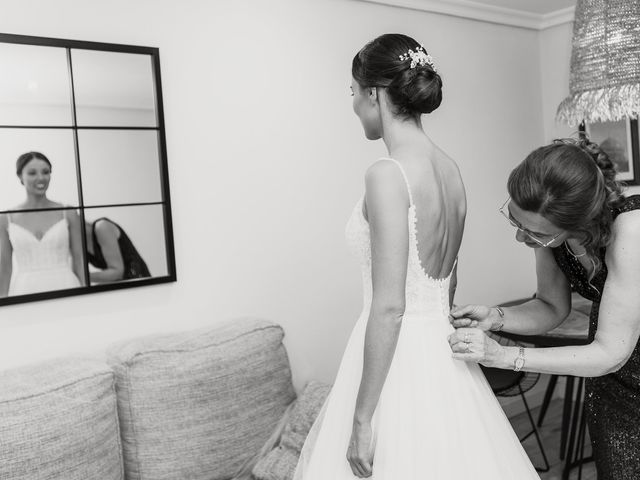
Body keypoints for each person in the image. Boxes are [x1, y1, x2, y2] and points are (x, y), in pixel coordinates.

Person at [293, 33, 540, 480]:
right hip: (442, 355)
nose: (352, 105)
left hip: (399, 359)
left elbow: (390, 307)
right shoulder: (451, 170)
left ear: (374, 93)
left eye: (352, 92)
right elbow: (449, 283)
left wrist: (363, 418)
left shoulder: (387, 174)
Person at [448, 137, 640, 480]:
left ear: (582, 223)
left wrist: (503, 356)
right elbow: (551, 306)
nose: (522, 239)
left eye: (536, 235)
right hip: (611, 378)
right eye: (516, 221)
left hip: (614, 353)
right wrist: (496, 317)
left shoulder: (632, 228)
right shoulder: (549, 229)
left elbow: (612, 351)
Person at [0, 151, 84, 296]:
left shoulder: (68, 213)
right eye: (32, 173)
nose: (41, 178)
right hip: (24, 290)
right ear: (20, 176)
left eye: (46, 172)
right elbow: (5, 268)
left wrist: (88, 294)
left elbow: (79, 259)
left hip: (66, 285)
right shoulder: (6, 218)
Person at [84, 216, 151, 283]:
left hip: (140, 283)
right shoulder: (80, 245)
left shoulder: (101, 227)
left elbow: (117, 273)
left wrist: (84, 276)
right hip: (119, 288)